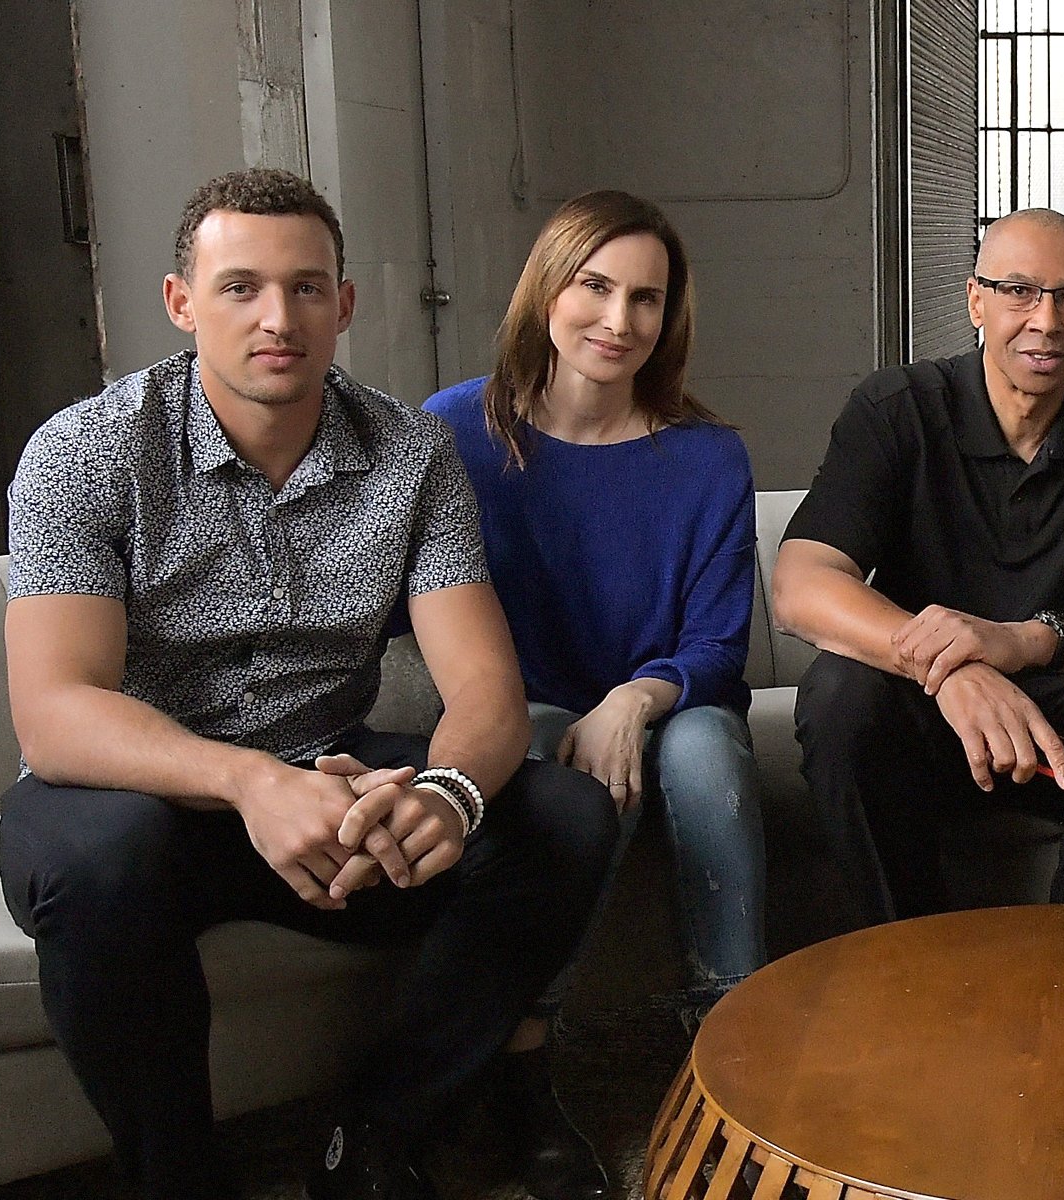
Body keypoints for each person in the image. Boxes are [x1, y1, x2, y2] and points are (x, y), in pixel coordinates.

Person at [0, 168, 618, 1200]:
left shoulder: (410, 454)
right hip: (132, 795)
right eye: (240, 287)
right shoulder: (86, 452)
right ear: (181, 303)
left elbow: (486, 690)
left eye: (307, 288)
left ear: (345, 303)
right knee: (106, 857)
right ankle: (178, 1180)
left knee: (563, 815)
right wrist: (246, 782)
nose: (278, 318)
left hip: (331, 784)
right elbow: (56, 713)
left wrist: (445, 795)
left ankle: (375, 1132)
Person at [425, 189, 759, 1200]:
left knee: (706, 753)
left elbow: (718, 643)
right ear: (548, 290)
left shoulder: (706, 455)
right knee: (547, 741)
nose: (620, 322)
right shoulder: (454, 432)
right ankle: (527, 1061)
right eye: (596, 287)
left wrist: (640, 698)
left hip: (671, 702)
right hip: (527, 707)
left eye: (646, 300)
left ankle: (733, 1055)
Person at [773, 207, 1064, 924]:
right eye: (1019, 291)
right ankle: (910, 959)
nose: (1047, 320)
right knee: (838, 695)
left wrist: (1028, 640)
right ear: (976, 299)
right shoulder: (898, 409)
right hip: (932, 719)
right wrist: (951, 667)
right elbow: (799, 583)